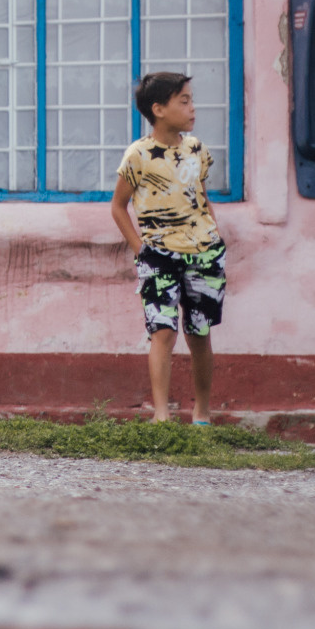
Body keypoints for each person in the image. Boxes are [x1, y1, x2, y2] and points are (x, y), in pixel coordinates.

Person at [111, 69, 226, 424]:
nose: (193, 108)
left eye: (192, 100)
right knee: (162, 331)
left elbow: (202, 198)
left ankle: (202, 414)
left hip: (203, 254)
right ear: (159, 109)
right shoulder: (139, 155)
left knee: (199, 333)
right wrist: (139, 250)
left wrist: (213, 237)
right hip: (159, 257)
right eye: (185, 101)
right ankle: (162, 415)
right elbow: (118, 207)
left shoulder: (197, 151)